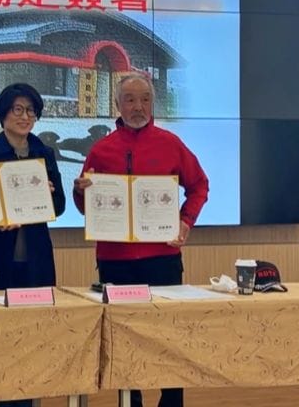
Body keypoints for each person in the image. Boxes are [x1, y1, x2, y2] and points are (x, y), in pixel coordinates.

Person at [73, 72, 209, 407]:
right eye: (130, 100)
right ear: (117, 105)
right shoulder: (101, 150)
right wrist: (80, 192)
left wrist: (185, 221)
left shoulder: (171, 143)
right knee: (123, 337)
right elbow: (88, 208)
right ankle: (129, 402)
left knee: (168, 336)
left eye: (145, 99)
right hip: (115, 261)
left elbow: (199, 185)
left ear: (153, 103)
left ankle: (171, 402)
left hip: (162, 258)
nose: (138, 107)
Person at [0, 83, 66, 291]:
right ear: (3, 113)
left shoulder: (44, 152)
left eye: (31, 110)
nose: (25, 117)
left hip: (35, 255)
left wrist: (45, 196)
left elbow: (59, 206)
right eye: (18, 109)